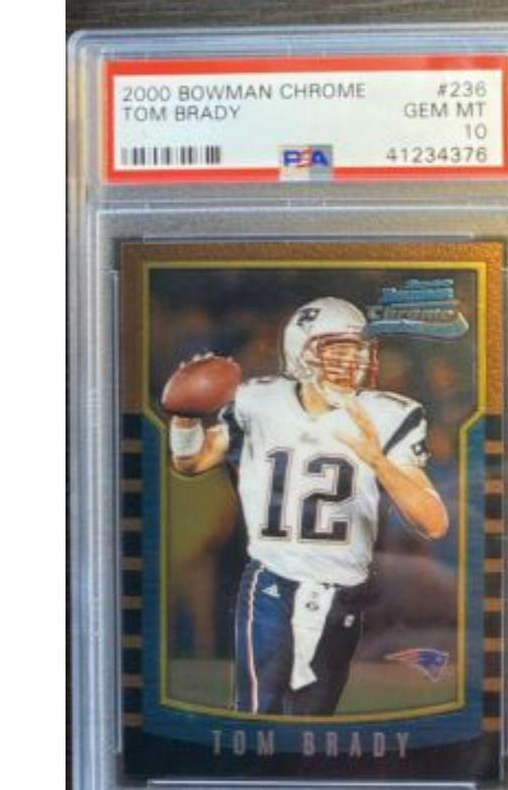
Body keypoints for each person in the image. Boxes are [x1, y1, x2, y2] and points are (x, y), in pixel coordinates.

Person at [169, 297, 448, 715]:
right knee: (258, 710)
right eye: (338, 350)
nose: (352, 362)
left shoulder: (388, 414)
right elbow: (190, 462)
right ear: (301, 352)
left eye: (358, 350)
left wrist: (377, 461)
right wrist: (185, 419)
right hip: (273, 581)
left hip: (344, 591)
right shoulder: (259, 402)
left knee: (312, 718)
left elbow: (433, 522)